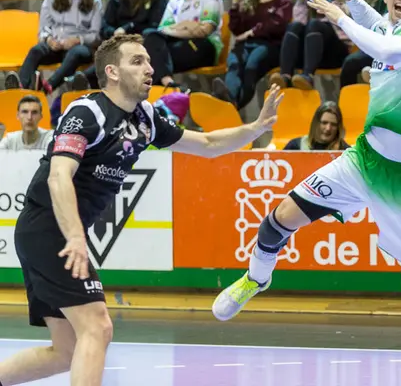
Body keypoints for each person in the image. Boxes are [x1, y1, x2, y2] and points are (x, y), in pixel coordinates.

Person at [0, 34, 282, 386]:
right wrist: (74, 237)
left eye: (149, 61)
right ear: (112, 72)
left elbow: (208, 144)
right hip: (49, 228)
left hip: (52, 232)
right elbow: (59, 175)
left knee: (67, 350)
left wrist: (255, 127)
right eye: (138, 61)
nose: (150, 69)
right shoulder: (87, 111)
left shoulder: (146, 119)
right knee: (98, 327)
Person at [212, 0, 401, 321]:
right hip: (365, 160)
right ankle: (255, 278)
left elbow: (385, 50)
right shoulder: (395, 27)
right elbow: (382, 30)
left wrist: (338, 15)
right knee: (280, 217)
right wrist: (353, 0)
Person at [4, 0, 102, 94]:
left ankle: (48, 86)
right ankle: (19, 88)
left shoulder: (94, 1)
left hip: (79, 48)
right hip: (55, 45)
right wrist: (49, 39)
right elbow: (43, 29)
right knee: (36, 50)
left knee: (76, 52)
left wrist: (77, 40)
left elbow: (95, 35)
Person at [81, 0, 167, 89]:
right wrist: (115, 32)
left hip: (143, 47)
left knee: (117, 63)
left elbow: (154, 27)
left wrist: (127, 28)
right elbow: (104, 28)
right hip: (118, 45)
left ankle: (82, 78)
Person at [143, 0, 224, 89]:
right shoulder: (175, 1)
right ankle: (168, 83)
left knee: (151, 60)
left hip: (205, 46)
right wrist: (188, 25)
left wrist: (178, 27)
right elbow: (162, 31)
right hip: (180, 44)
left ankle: (167, 90)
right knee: (151, 35)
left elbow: (205, 30)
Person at [219, 0, 293, 109]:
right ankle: (229, 102)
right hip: (246, 45)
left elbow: (276, 25)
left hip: (269, 46)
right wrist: (234, 5)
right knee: (233, 62)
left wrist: (251, 32)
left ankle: (230, 106)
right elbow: (237, 30)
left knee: (251, 65)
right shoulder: (249, 3)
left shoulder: (283, 2)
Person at [283, 101, 350, 151]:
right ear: (316, 123)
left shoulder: (346, 151)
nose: (328, 128)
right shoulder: (295, 146)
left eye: (334, 124)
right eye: (324, 123)